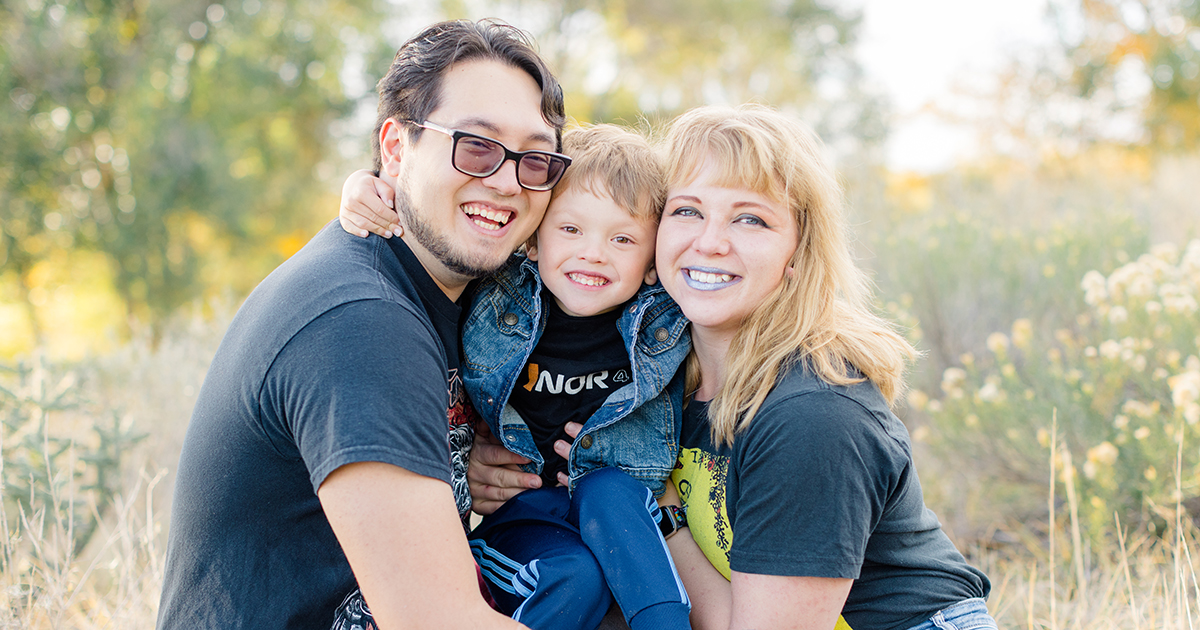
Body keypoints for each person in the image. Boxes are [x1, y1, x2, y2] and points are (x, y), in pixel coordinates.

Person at [471, 104, 998, 630]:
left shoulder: (814, 417)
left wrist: (659, 513)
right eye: (688, 211)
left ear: (798, 253)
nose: (711, 241)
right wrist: (479, 459)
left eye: (750, 218)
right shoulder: (650, 377)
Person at [157, 20, 567, 630]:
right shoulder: (361, 321)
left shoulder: (468, 299)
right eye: (476, 146)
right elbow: (440, 621)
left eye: (535, 160)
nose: (507, 181)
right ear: (397, 148)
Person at [339, 124, 693, 630]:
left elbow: (724, 269)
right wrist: (363, 185)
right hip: (524, 520)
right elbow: (423, 216)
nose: (594, 253)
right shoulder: (500, 294)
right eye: (571, 230)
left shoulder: (664, 317)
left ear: (653, 260)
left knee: (611, 488)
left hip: (616, 514)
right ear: (532, 241)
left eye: (622, 238)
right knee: (575, 575)